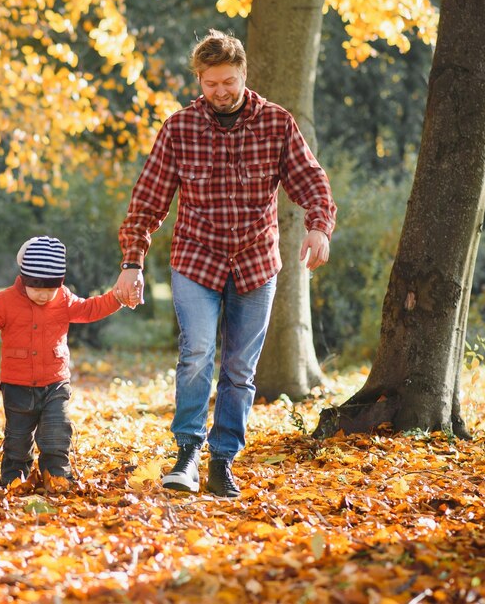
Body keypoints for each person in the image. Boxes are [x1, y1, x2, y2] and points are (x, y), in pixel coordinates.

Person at [114, 30, 337, 498]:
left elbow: (310, 180)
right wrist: (132, 263)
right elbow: (147, 202)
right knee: (196, 352)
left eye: (229, 81)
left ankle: (223, 459)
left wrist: (319, 225)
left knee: (239, 369)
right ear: (199, 79)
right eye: (211, 83)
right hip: (196, 260)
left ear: (244, 75)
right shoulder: (179, 128)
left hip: (256, 264)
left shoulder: (276, 123)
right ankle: (187, 453)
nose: (220, 91)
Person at [0, 236, 122, 492]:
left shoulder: (63, 299)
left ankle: (57, 475)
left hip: (55, 383)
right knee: (17, 439)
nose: (43, 295)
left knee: (57, 432)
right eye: (37, 288)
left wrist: (117, 298)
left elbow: (89, 309)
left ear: (60, 283)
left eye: (50, 289)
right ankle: (14, 477)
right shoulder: (5, 301)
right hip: (17, 386)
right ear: (24, 279)